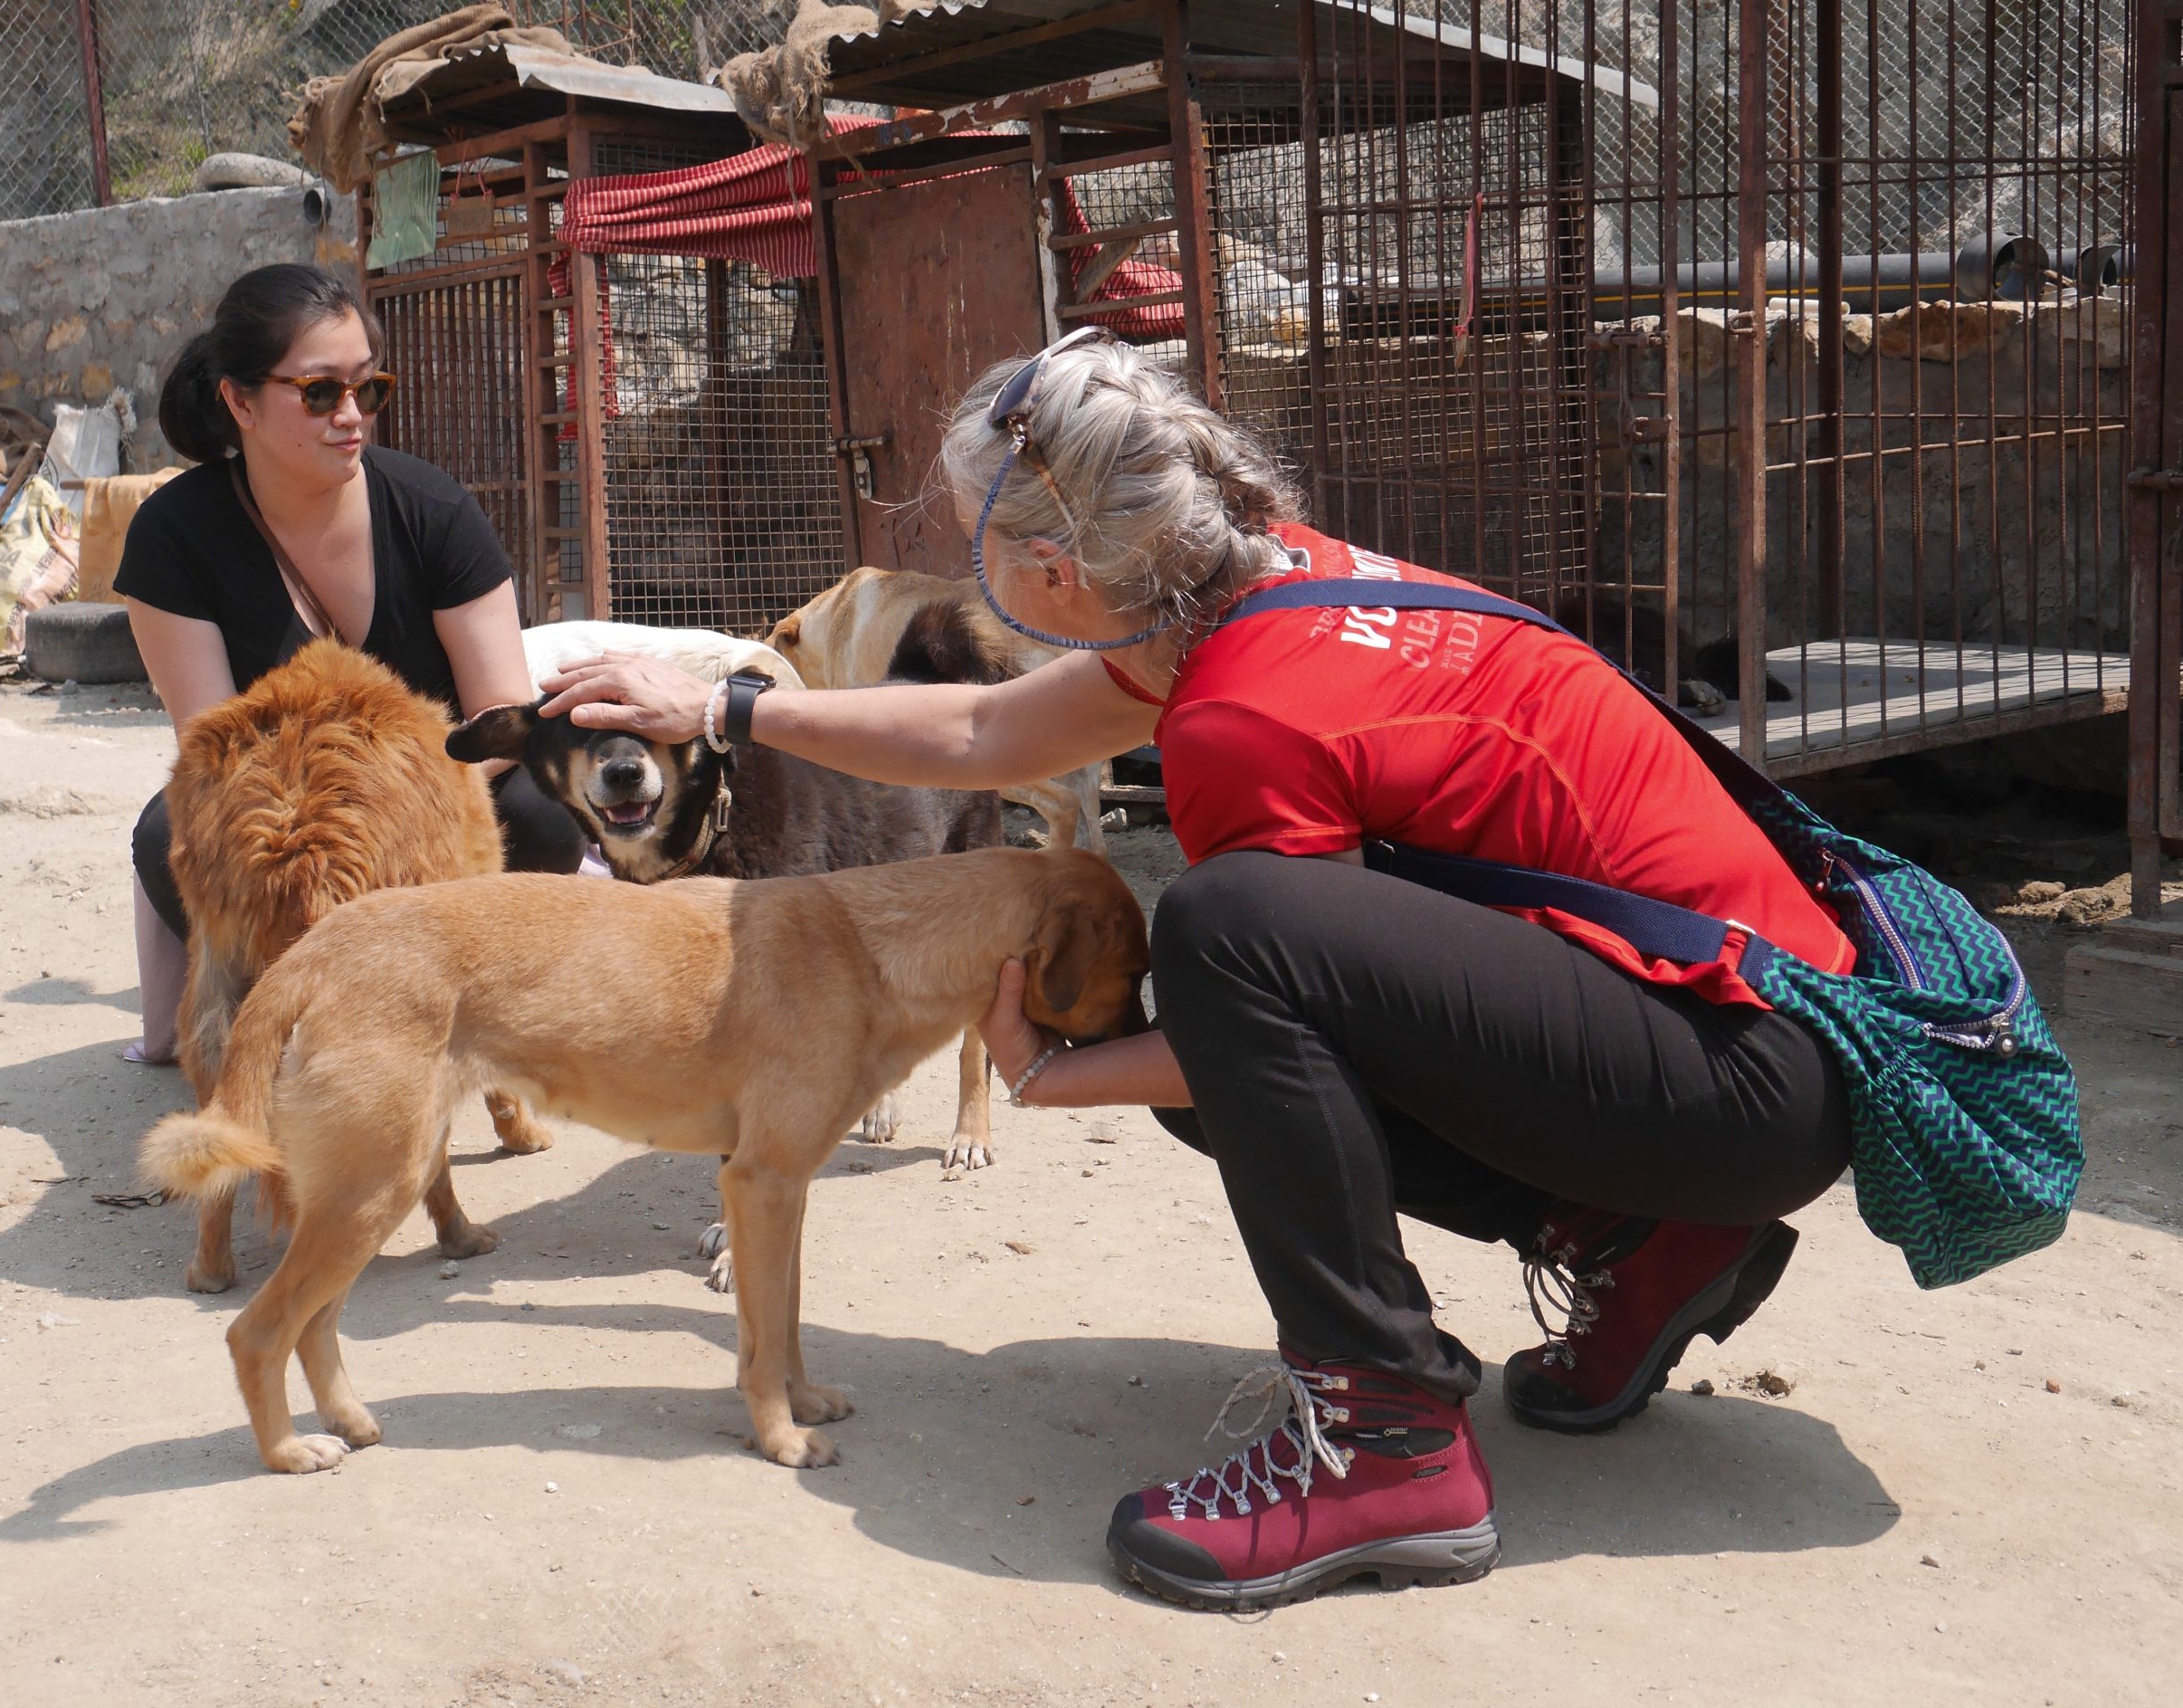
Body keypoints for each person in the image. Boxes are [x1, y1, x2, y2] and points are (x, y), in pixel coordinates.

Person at [539, 327, 1855, 1611]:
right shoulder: (1279, 588)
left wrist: (1062, 1075)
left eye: (975, 542)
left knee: (1222, 939)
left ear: (1052, 571)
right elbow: (987, 725)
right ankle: (1638, 1240)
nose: (968, 568)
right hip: (1761, 1036)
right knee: (1223, 1003)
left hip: (1738, 1073)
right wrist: (725, 705)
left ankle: (1380, 1434)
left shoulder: (1239, 716)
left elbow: (1270, 1023)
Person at [115, 264, 584, 1063]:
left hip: (436, 817)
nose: (353, 417)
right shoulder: (172, 536)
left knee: (545, 816)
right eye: (320, 393)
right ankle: (310, 1007)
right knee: (171, 829)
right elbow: (216, 753)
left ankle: (451, 1005)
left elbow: (503, 727)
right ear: (240, 402)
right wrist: (338, 840)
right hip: (293, 827)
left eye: (368, 387)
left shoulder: (434, 511)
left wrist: (398, 830)